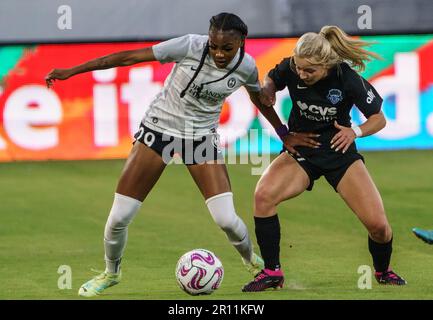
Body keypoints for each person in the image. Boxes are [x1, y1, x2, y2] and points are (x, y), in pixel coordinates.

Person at [45, 12, 311, 297]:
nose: (219, 53)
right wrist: (71, 71)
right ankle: (111, 273)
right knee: (120, 217)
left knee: (226, 220)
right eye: (214, 46)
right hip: (159, 131)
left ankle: (251, 262)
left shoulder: (246, 66)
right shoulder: (188, 46)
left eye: (227, 48)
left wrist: (283, 133)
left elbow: (257, 97)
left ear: (242, 43)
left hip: (200, 140)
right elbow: (129, 58)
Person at [242, 25, 407, 292]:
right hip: (302, 150)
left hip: (338, 151)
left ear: (327, 65)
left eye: (310, 70)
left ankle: (383, 271)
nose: (302, 74)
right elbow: (272, 78)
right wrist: (270, 90)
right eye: (299, 68)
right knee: (263, 195)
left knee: (379, 227)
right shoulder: (291, 67)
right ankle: (272, 272)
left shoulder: (346, 78)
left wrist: (355, 132)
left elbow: (379, 119)